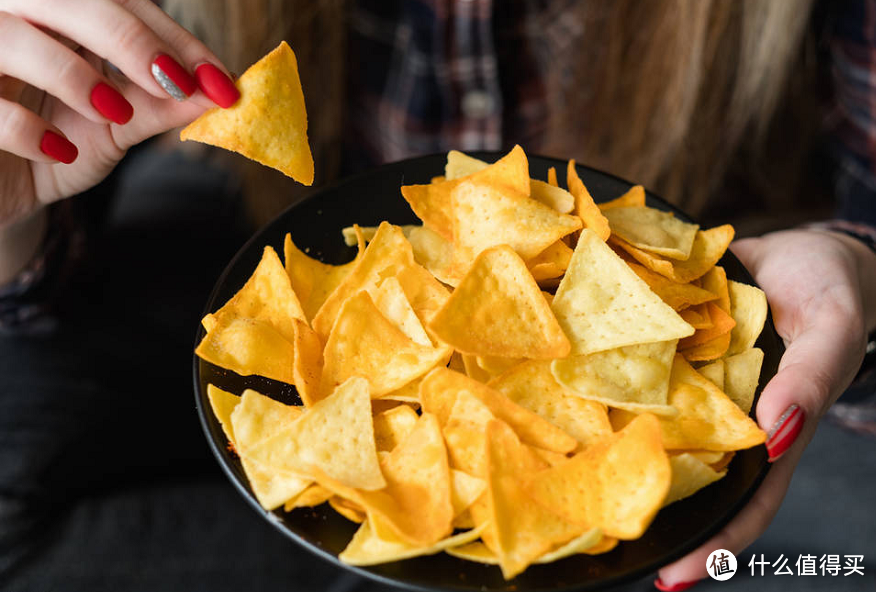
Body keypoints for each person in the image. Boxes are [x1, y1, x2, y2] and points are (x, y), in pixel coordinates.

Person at [0, 1, 874, 590]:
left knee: (845, 553)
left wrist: (858, 276)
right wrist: (10, 219)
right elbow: (76, 234)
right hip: (282, 238)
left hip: (706, 275)